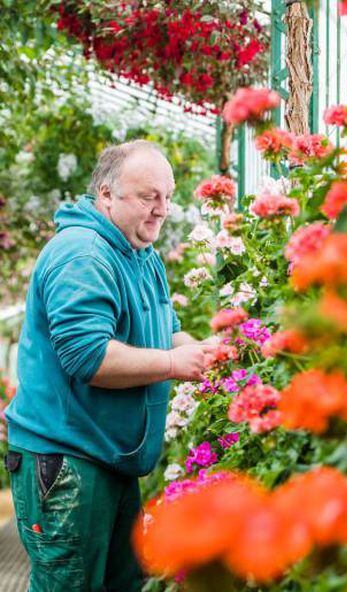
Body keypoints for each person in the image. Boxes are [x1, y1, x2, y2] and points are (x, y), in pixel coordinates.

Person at [4, 140, 216, 591]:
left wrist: (203, 352)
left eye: (167, 197)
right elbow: (89, 357)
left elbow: (167, 330)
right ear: (105, 194)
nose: (162, 210)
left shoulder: (140, 253)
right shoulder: (82, 254)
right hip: (66, 462)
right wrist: (174, 363)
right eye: (147, 197)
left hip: (109, 459)